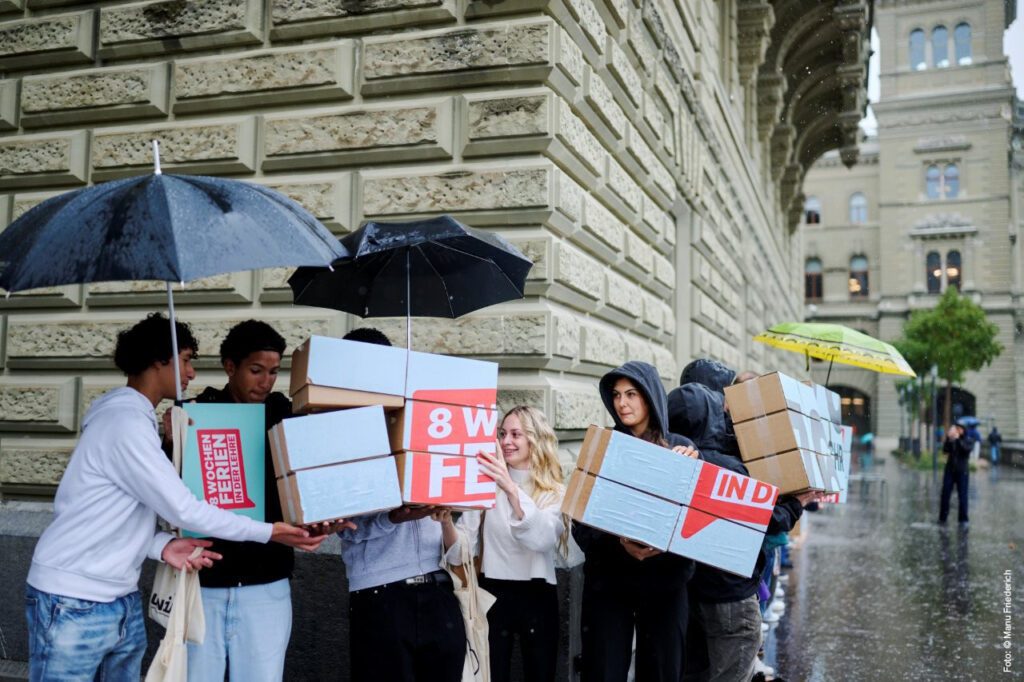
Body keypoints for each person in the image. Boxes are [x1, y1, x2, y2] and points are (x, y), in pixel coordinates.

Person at [24, 313, 324, 682]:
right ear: (158, 360)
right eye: (185, 359)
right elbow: (183, 508)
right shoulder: (126, 424)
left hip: (117, 595)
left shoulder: (137, 419)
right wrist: (270, 532)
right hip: (74, 598)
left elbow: (123, 512)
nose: (192, 373)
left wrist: (162, 545)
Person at [183, 320, 324, 682]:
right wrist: (173, 437)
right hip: (206, 584)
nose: (265, 382)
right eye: (256, 370)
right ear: (231, 367)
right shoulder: (198, 412)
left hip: (268, 582)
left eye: (274, 372)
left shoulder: (283, 413)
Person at [668, 359, 813, 682]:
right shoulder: (723, 465)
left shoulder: (674, 458)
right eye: (726, 398)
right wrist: (797, 503)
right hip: (730, 594)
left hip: (693, 593)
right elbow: (767, 519)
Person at [337, 327, 467, 682]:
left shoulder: (427, 420)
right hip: (379, 594)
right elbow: (343, 527)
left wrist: (449, 508)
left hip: (439, 588)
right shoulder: (335, 429)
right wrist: (392, 517)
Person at [574, 360, 699, 682]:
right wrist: (619, 544)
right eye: (616, 395)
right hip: (610, 581)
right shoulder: (603, 448)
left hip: (666, 582)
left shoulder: (684, 448)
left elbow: (700, 523)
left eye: (631, 394)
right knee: (603, 669)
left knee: (662, 669)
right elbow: (581, 524)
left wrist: (693, 471)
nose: (622, 403)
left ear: (650, 396)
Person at [441, 406, 567, 682]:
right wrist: (446, 521)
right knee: (491, 675)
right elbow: (460, 551)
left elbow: (542, 538)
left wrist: (510, 487)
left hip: (538, 594)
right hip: (492, 593)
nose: (506, 441)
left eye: (516, 434)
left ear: (535, 439)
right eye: (502, 434)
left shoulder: (554, 491)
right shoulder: (486, 486)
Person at [938, 423, 975, 525]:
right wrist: (949, 439)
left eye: (959, 429)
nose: (956, 431)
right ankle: (942, 518)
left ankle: (963, 520)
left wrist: (957, 439)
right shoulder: (952, 440)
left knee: (963, 496)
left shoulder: (969, 440)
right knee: (945, 494)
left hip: (962, 471)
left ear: (963, 430)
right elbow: (945, 450)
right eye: (955, 429)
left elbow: (965, 450)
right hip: (950, 470)